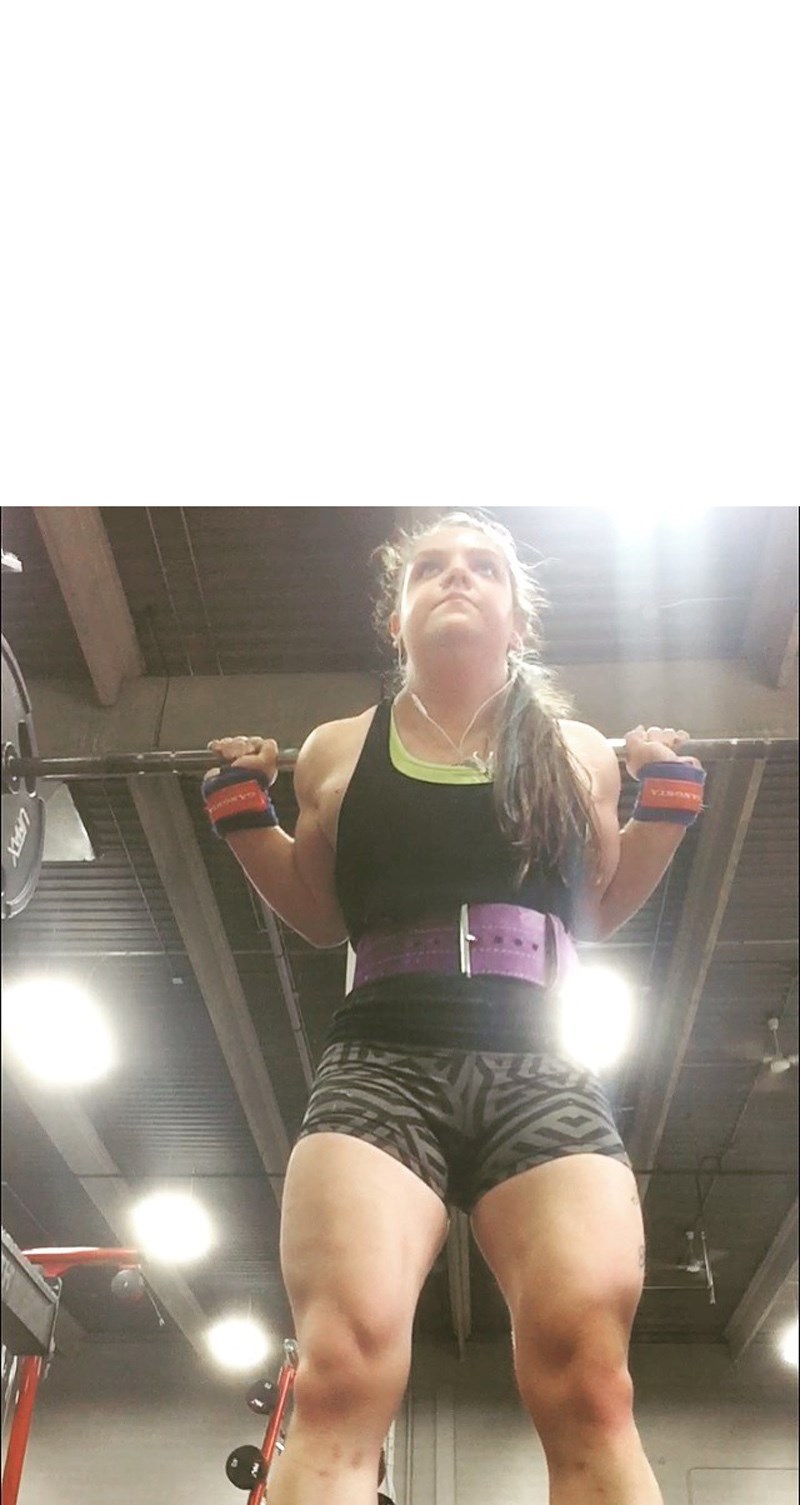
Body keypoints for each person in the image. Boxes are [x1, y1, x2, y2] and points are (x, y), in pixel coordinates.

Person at [203, 511, 706, 1505]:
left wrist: (665, 799)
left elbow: (593, 906)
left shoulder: (575, 752)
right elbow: (315, 914)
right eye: (428, 568)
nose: (455, 580)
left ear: (516, 615)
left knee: (590, 1383)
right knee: (340, 1374)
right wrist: (238, 808)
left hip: (542, 1069)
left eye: (481, 568)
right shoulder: (340, 751)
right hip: (379, 1062)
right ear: (396, 618)